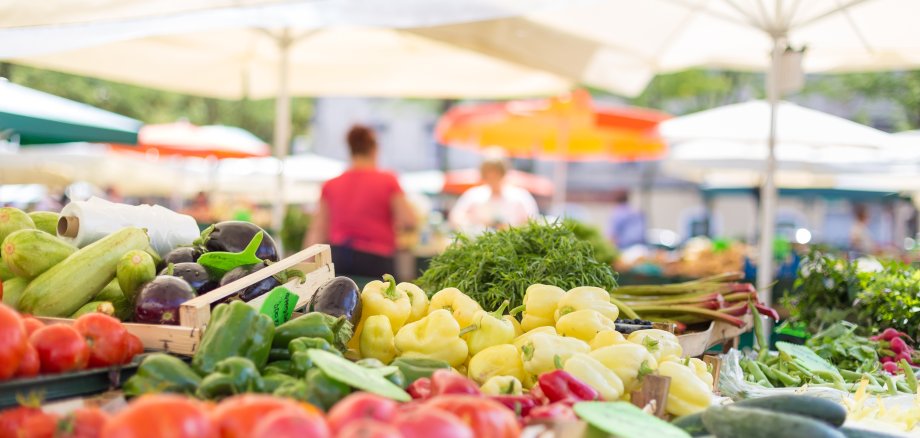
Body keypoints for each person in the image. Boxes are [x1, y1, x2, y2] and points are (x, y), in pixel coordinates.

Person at [306, 124, 416, 278]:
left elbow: (318, 229)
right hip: (377, 259)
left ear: (350, 149)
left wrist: (307, 266)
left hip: (339, 257)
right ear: (374, 149)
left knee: (339, 300)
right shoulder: (388, 181)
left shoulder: (331, 185)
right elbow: (409, 220)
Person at [449, 149, 539, 235]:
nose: (492, 178)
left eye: (496, 174)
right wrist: (476, 222)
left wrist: (510, 228)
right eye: (488, 175)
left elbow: (532, 222)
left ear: (503, 173)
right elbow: (455, 218)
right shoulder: (474, 196)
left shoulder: (520, 197)